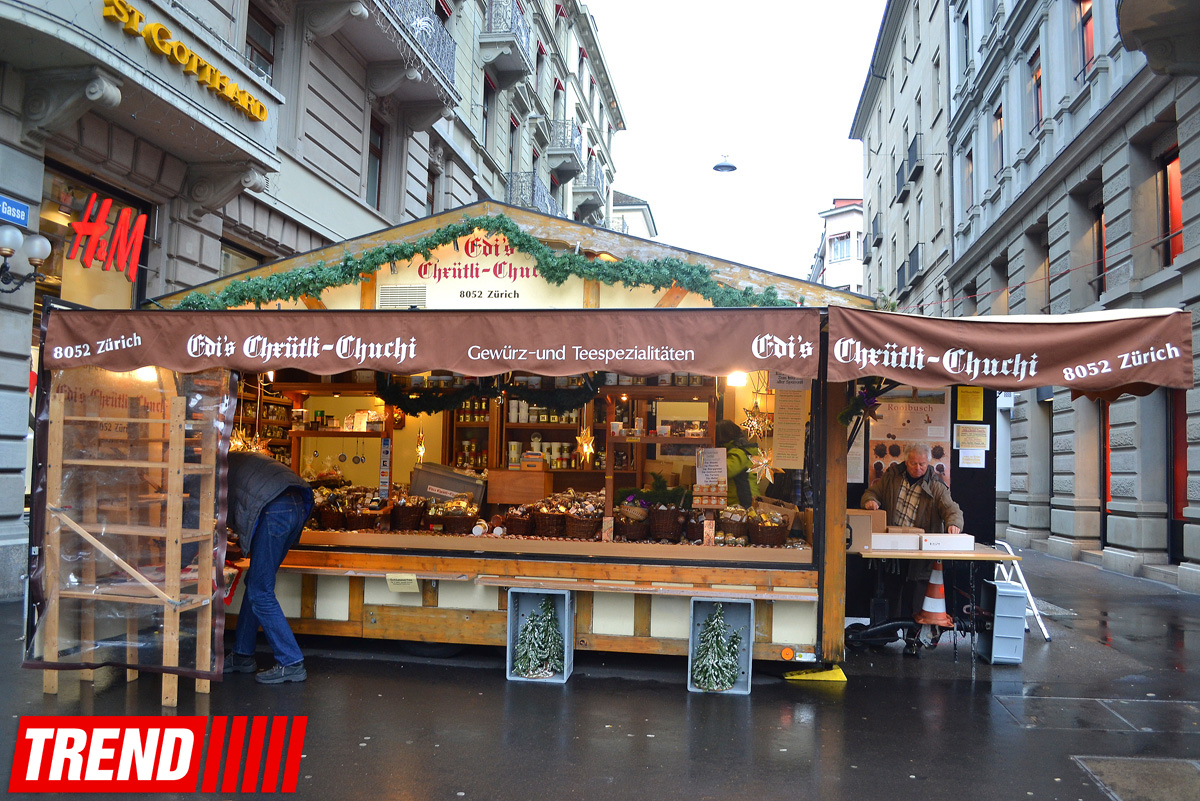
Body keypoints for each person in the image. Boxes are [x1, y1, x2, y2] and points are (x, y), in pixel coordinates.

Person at [860, 442, 963, 657]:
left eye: (922, 464)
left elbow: (951, 508)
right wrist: (870, 501)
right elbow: (872, 492)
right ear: (906, 461)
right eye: (913, 463)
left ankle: (912, 640)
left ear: (928, 463)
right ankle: (884, 635)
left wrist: (954, 524)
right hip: (892, 547)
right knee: (890, 591)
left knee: (917, 596)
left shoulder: (936, 485)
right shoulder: (892, 476)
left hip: (919, 551)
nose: (918, 468)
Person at [223, 452, 314, 684]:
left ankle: (291, 662)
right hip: (296, 504)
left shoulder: (212, 472)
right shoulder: (234, 459)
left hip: (274, 509)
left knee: (260, 590)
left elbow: (212, 519)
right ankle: (242, 655)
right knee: (256, 582)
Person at [715, 420, 762, 507]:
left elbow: (725, 471)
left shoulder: (738, 453)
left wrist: (709, 463)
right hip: (746, 499)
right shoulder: (743, 449)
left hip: (743, 501)